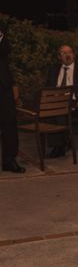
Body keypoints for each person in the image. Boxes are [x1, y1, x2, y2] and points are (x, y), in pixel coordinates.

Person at [45, 45, 78, 158]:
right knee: (50, 110)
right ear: (59, 57)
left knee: (59, 111)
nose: (67, 55)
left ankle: (59, 146)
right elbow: (47, 87)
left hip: (74, 102)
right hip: (56, 100)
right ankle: (63, 141)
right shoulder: (53, 70)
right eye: (63, 53)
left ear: (74, 55)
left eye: (70, 52)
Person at [0, 23, 25, 173]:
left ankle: (9, 160)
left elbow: (5, 50)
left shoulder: (1, 29)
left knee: (9, 123)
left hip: (3, 85)